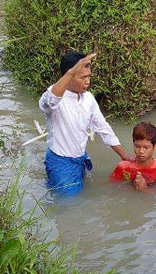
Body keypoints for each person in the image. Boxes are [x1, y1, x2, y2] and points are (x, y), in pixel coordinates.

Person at [39, 51, 131, 196]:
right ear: (68, 77)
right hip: (60, 163)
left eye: (89, 76)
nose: (88, 81)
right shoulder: (54, 98)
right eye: (83, 77)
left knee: (78, 197)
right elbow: (50, 101)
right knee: (67, 207)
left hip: (80, 158)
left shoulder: (88, 98)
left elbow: (103, 127)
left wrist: (124, 156)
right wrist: (71, 72)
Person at [110, 122, 156, 191]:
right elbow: (112, 187)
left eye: (146, 147)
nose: (141, 151)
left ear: (155, 145)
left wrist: (144, 189)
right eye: (137, 146)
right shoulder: (123, 167)